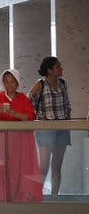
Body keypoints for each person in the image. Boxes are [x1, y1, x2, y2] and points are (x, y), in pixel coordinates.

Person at [0, 68, 42, 202]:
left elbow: (30, 116)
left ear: (17, 83)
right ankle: (1, 197)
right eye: (6, 82)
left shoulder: (23, 98)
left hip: (20, 141)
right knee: (2, 168)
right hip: (1, 141)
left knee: (20, 167)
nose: (9, 85)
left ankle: (21, 196)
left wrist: (14, 114)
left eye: (12, 82)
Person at [28, 56, 71, 199]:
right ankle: (37, 195)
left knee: (57, 165)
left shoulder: (63, 84)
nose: (61, 69)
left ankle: (54, 197)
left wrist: (68, 120)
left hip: (62, 128)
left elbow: (67, 105)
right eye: (58, 66)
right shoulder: (41, 84)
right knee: (44, 165)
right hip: (45, 129)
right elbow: (29, 101)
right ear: (49, 70)